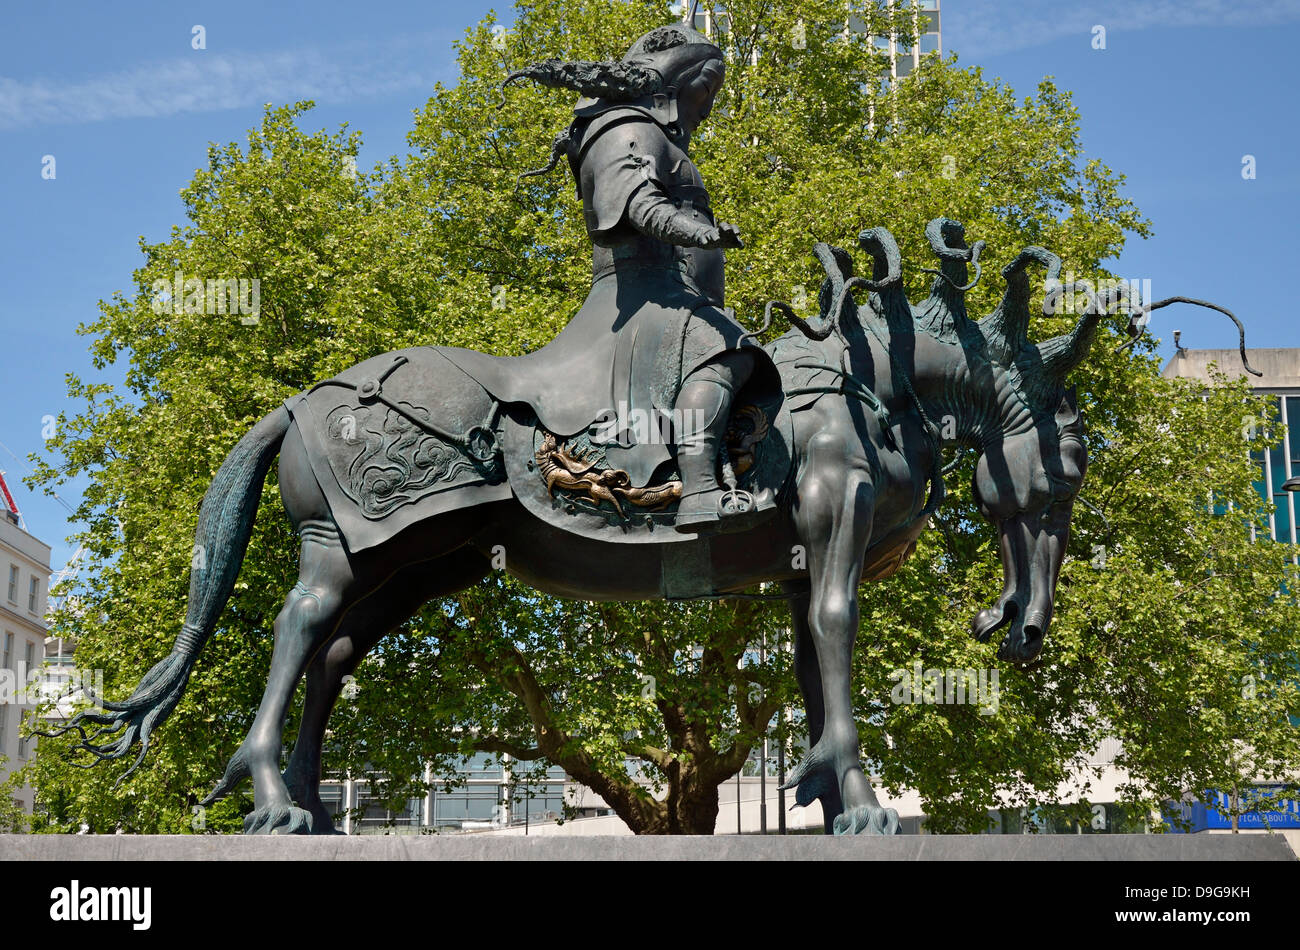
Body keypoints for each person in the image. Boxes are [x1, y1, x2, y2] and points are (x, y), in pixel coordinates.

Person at [452, 23, 780, 533]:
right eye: (708, 86)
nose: (709, 105)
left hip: (670, 295)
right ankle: (699, 490)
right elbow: (637, 204)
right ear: (672, 81)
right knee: (728, 353)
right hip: (649, 296)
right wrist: (702, 234)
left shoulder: (640, 131)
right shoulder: (626, 127)